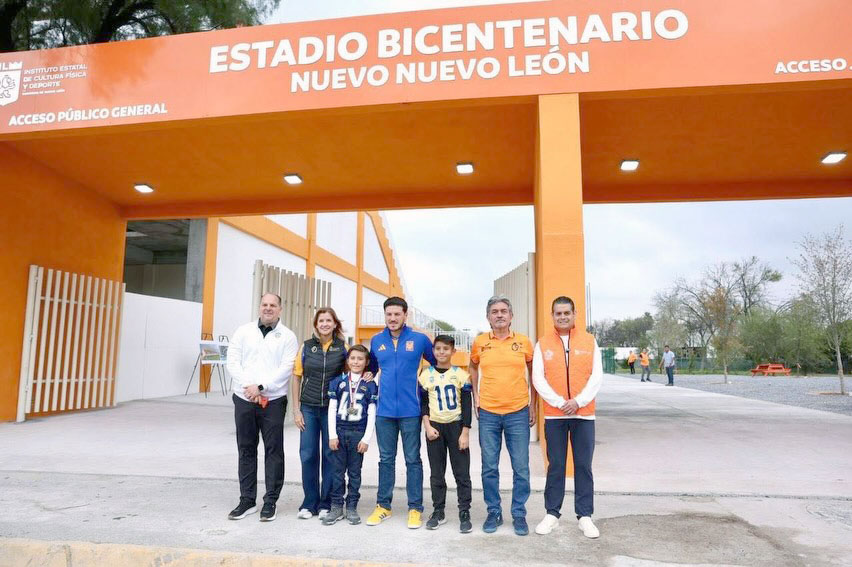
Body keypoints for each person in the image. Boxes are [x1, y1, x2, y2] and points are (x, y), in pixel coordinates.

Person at [531, 296, 603, 539]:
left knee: (583, 465)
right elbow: (538, 379)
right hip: (555, 416)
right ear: (552, 316)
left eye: (566, 313)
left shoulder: (590, 341)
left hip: (584, 415)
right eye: (558, 313)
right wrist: (561, 403)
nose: (562, 317)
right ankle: (552, 514)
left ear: (575, 314)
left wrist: (578, 402)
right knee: (556, 465)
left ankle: (585, 516)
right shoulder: (543, 344)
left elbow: (596, 377)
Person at [225, 293, 298, 522]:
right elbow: (232, 361)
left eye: (273, 305)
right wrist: (249, 387)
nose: (268, 308)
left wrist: (262, 386)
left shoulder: (287, 336)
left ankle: (270, 502)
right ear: (259, 307)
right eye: (265, 305)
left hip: (273, 401)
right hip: (244, 398)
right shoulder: (243, 331)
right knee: (246, 449)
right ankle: (247, 501)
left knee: (273, 451)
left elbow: (286, 369)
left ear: (280, 309)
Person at [366, 297, 437, 529]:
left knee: (412, 460)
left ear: (406, 315)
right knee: (386, 460)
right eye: (389, 314)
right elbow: (372, 368)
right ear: (385, 316)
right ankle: (383, 506)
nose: (393, 318)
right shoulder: (377, 341)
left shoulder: (419, 340)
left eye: (397, 314)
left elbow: (438, 364)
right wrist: (368, 375)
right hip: (384, 412)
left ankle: (415, 508)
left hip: (411, 411)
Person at [470, 295, 536, 536]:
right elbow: (473, 366)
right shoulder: (479, 343)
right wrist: (476, 396)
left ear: (511, 315)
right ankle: (494, 511)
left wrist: (533, 404)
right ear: (488, 317)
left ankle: (519, 514)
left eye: (503, 311)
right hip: (488, 412)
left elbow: (533, 373)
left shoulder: (524, 342)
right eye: (494, 311)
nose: (499, 315)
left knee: (521, 468)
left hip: (518, 412)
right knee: (489, 467)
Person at [291, 308, 348, 521]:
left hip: (331, 410)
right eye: (321, 320)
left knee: (330, 455)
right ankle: (309, 503)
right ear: (316, 325)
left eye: (328, 320)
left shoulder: (343, 348)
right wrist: (296, 410)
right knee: (308, 454)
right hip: (308, 408)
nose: (324, 324)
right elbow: (296, 377)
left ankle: (326, 503)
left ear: (335, 324)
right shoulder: (306, 347)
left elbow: (353, 371)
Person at [418, 335, 473, 533]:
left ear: (453, 351)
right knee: (437, 473)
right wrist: (427, 425)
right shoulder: (425, 375)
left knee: (462, 473)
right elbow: (423, 404)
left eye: (445, 349)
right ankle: (438, 510)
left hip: (456, 427)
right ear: (433, 351)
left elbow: (467, 405)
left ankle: (464, 511)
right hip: (435, 427)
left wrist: (465, 432)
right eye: (438, 349)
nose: (441, 352)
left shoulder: (461, 375)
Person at [323, 345, 379, 526]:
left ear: (367, 362)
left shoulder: (370, 384)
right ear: (347, 360)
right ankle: (336, 506)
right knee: (337, 472)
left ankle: (352, 506)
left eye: (360, 359)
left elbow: (372, 413)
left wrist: (366, 438)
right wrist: (332, 435)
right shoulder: (338, 382)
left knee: (355, 473)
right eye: (353, 358)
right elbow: (331, 409)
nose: (356, 362)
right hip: (339, 431)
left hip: (357, 433)